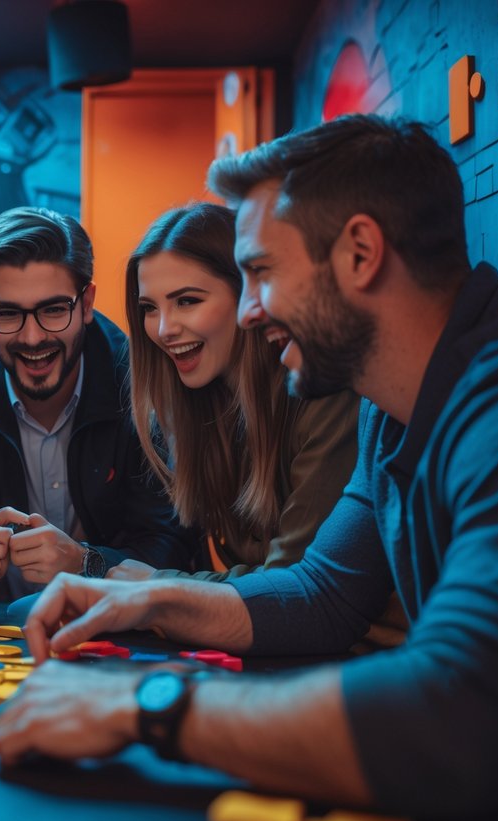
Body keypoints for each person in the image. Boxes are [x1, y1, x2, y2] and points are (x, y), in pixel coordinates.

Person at [0, 115, 498, 821]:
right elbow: (321, 596)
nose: (250, 310)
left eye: (258, 272)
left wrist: (147, 703)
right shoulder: (392, 406)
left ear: (359, 253)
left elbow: (458, 719)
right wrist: (146, 599)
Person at [0, 206, 195, 611]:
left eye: (53, 310)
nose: (32, 337)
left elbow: (170, 543)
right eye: (7, 313)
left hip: (124, 629)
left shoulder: (144, 385)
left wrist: (87, 563)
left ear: (86, 304)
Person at [117, 202, 360, 583]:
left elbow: (293, 588)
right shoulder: (202, 410)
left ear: (248, 297)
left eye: (187, 301)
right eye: (149, 308)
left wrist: (159, 587)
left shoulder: (322, 393)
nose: (163, 329)